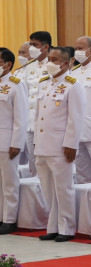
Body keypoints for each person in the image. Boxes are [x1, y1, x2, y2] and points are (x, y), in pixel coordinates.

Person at [35, 47, 85, 242]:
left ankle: (67, 227)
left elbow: (75, 118)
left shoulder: (73, 85)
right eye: (49, 58)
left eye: (54, 59)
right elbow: (39, 116)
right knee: (48, 188)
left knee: (63, 188)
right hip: (42, 144)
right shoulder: (43, 83)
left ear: (66, 63)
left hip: (60, 145)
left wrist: (71, 144)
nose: (50, 62)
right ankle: (53, 226)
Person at [0, 48, 28, 234]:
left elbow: (21, 117)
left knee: (9, 182)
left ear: (8, 64)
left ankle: (9, 219)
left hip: (6, 140)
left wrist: (16, 143)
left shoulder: (16, 84)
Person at [71, 36, 91, 184]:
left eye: (80, 49)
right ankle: (85, 206)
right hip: (77, 130)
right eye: (76, 49)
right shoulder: (74, 72)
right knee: (81, 175)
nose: (77, 52)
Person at [24, 31, 51, 177]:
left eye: (35, 45)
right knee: (32, 165)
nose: (31, 48)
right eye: (30, 44)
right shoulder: (29, 66)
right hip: (30, 122)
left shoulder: (54, 65)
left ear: (45, 47)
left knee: (46, 165)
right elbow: (27, 94)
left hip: (46, 124)